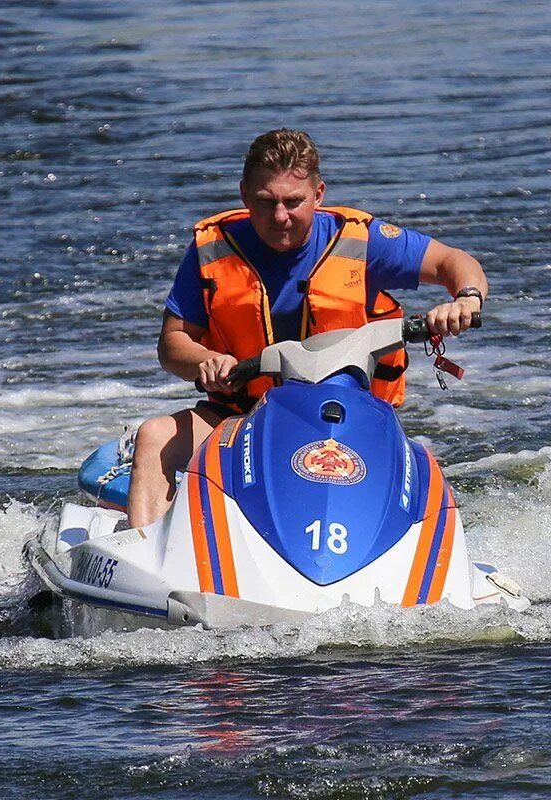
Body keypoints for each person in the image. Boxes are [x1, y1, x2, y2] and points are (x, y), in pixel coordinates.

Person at [124, 128, 488, 529]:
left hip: (344, 421)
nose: (280, 216)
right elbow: (172, 344)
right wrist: (206, 360)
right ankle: (146, 561)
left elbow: (453, 262)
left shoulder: (361, 241)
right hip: (239, 421)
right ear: (245, 195)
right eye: (266, 202)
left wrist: (466, 299)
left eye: (293, 202)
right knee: (154, 436)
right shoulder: (212, 249)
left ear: (318, 195)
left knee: (420, 468)